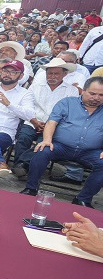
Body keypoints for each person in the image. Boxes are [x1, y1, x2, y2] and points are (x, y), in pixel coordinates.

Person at [21, 77, 103, 207]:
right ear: (83, 91)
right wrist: (47, 140)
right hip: (62, 146)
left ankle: (83, 199)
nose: (97, 97)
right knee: (42, 150)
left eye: (101, 95)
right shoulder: (67, 103)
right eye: (93, 93)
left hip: (90, 152)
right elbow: (51, 122)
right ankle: (31, 188)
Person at [12, 57, 81, 178]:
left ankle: (23, 165)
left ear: (65, 74)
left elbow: (69, 112)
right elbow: (28, 105)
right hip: (33, 120)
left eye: (56, 74)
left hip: (55, 125)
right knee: (23, 138)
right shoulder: (35, 86)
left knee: (42, 143)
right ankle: (21, 166)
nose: (52, 76)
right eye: (50, 73)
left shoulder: (72, 90)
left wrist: (51, 124)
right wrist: (35, 121)